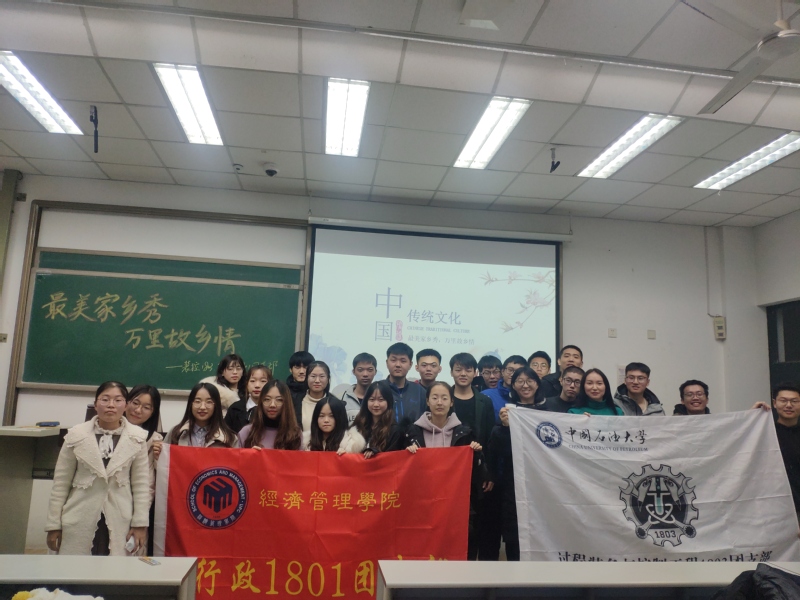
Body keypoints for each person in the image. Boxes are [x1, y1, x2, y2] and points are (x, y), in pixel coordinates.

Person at [46, 382, 150, 556]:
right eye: (105, 399)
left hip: (119, 518)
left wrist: (140, 524)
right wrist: (53, 524)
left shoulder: (137, 438)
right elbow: (61, 483)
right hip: (79, 517)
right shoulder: (76, 435)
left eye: (118, 400)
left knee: (113, 569)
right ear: (95, 404)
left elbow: (141, 485)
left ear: (125, 406)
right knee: (75, 568)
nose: (111, 405)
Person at [406, 381, 491, 560]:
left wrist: (476, 454)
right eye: (435, 398)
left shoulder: (465, 432)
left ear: (452, 402)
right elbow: (403, 473)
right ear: (427, 401)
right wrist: (408, 453)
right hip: (423, 506)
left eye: (444, 398)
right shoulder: (412, 432)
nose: (439, 402)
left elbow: (477, 475)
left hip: (455, 507)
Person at [487, 367, 542, 561]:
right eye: (520, 381)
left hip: (543, 481)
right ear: (513, 385)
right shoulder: (508, 412)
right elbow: (498, 450)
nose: (525, 385)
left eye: (530, 381)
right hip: (514, 480)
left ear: (537, 384)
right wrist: (504, 427)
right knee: (514, 532)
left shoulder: (549, 410)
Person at [123, 384, 162, 556]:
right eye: (135, 403)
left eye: (146, 407)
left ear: (153, 412)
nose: (138, 410)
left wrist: (139, 521)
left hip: (135, 509)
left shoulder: (154, 441)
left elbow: (149, 486)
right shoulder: (108, 432)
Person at [753, 383, 800, 518]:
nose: (789, 405)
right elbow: (741, 443)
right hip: (775, 505)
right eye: (783, 400)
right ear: (774, 403)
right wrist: (751, 416)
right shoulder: (766, 432)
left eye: (794, 401)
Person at [165, 382, 239, 447]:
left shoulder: (229, 437)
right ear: (191, 404)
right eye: (197, 401)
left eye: (209, 402)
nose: (202, 407)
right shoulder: (175, 433)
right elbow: (165, 456)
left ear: (216, 405)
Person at [239, 380, 303, 450]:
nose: (272, 405)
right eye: (267, 399)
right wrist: (249, 455)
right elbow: (236, 456)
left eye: (279, 400)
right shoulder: (247, 432)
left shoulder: (295, 434)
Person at [450, 353, 495, 449]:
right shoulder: (444, 399)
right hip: (450, 454)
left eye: (468, 370)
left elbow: (490, 435)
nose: (463, 374)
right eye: (458, 370)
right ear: (451, 372)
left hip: (477, 454)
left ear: (475, 373)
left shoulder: (485, 401)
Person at [354, 380, 406, 458]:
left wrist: (375, 453)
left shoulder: (395, 430)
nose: (376, 404)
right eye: (372, 399)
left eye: (381, 400)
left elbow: (392, 458)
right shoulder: (358, 424)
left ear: (388, 402)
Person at [294, 360, 336, 448]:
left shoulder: (337, 404)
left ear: (328, 379)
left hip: (329, 451)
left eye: (322, 376)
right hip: (300, 451)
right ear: (306, 378)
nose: (317, 380)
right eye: (313, 376)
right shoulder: (294, 402)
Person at [384, 342, 426, 423]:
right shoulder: (378, 389)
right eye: (393, 360)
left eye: (403, 361)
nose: (398, 365)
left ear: (410, 364)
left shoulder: (420, 391)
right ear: (387, 363)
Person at [331, 352, 377, 425]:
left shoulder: (381, 399)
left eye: (370, 370)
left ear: (375, 372)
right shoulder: (342, 398)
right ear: (353, 372)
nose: (365, 374)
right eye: (360, 370)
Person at [225, 364, 272, 433]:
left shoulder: (274, 409)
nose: (257, 385)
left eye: (263, 381)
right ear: (247, 384)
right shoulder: (234, 409)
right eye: (252, 381)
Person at [483, 355, 527, 423]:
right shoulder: (486, 395)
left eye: (518, 372)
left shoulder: (529, 396)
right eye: (510, 370)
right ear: (502, 372)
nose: (513, 375)